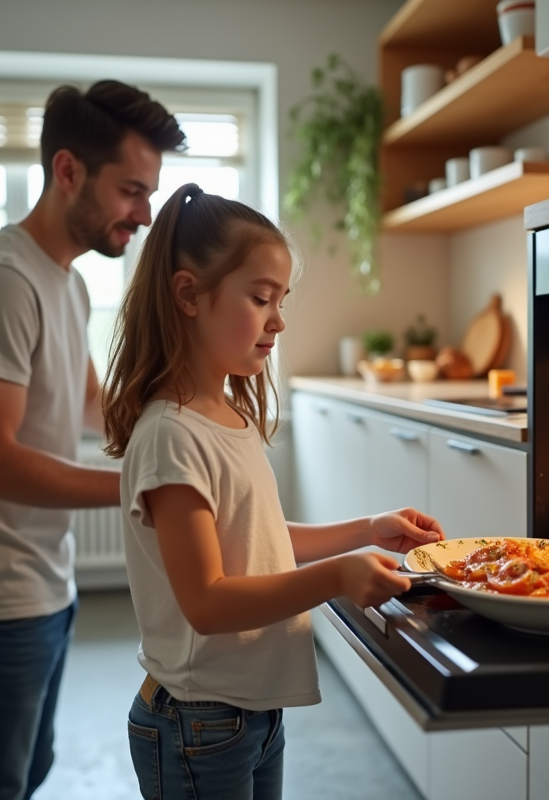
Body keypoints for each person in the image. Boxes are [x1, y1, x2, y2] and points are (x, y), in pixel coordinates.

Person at [100, 183, 446, 800]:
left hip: (246, 714)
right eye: (261, 298)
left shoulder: (227, 416)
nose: (279, 320)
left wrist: (367, 529)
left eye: (281, 299)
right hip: (196, 722)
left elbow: (254, 540)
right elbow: (206, 600)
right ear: (188, 295)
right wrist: (337, 576)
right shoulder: (170, 436)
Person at [0, 80, 185, 800]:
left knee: (30, 770)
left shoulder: (64, 280)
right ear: (67, 171)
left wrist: (181, 428)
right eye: (130, 191)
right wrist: (144, 487)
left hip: (40, 576)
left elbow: (90, 403)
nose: (144, 215)